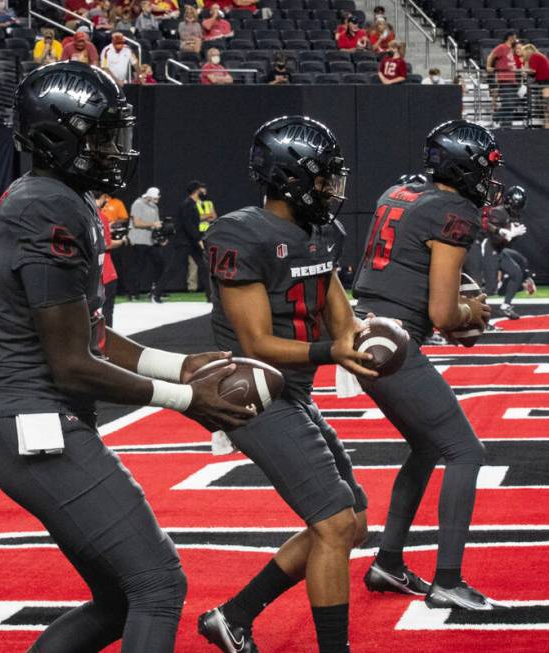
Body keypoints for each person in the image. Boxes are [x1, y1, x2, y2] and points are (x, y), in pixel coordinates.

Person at [0, 60, 254, 653]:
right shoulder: (47, 208)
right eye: (102, 135)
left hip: (43, 420)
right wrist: (185, 400)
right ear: (59, 136)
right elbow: (70, 362)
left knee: (118, 602)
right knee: (157, 584)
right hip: (36, 423)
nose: (116, 149)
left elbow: (91, 335)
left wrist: (175, 365)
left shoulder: (58, 199)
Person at [197, 116, 372, 653]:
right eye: (322, 179)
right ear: (291, 178)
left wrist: (376, 337)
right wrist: (329, 351)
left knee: (354, 523)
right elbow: (254, 343)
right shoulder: (239, 232)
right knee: (335, 524)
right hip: (249, 390)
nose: (330, 190)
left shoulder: (322, 233)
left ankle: (234, 615)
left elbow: (343, 318)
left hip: (293, 392)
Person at [353, 120, 503, 610]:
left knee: (425, 447)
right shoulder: (456, 211)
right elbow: (443, 314)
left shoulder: (398, 191)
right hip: (394, 338)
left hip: (364, 328)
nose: (487, 178)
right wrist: (472, 313)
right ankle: (448, 579)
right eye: (484, 167)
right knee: (466, 451)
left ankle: (387, 563)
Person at [154, 180, 208, 302]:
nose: (204, 192)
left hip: (191, 242)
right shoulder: (187, 204)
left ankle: (211, 297)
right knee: (173, 268)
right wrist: (198, 238)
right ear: (196, 191)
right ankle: (156, 293)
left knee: (204, 266)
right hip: (185, 242)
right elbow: (187, 225)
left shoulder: (193, 204)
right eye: (201, 189)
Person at [484, 186, 531, 320]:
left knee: (516, 273)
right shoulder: (498, 212)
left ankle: (506, 306)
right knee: (490, 288)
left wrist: (512, 235)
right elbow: (494, 239)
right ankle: (478, 314)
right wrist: (509, 234)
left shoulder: (512, 214)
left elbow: (506, 242)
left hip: (498, 250)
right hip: (489, 249)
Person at [128, 187, 164, 301]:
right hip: (138, 240)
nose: (157, 201)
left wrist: (161, 238)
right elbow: (137, 223)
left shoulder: (155, 207)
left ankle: (155, 290)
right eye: (155, 199)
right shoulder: (138, 204)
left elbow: (156, 224)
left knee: (160, 263)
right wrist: (153, 224)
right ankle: (133, 293)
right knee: (138, 267)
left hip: (150, 241)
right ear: (149, 197)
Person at [97, 194, 126, 326]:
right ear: (102, 198)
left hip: (86, 270)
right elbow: (106, 244)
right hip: (105, 270)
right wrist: (122, 242)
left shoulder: (78, 215)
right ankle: (106, 342)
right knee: (107, 309)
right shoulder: (100, 216)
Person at [486, 32, 518, 126]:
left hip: (513, 80)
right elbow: (491, 55)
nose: (516, 39)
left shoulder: (511, 49)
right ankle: (496, 116)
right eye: (515, 37)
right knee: (509, 104)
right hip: (505, 80)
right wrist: (488, 66)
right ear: (510, 37)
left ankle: (506, 127)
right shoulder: (502, 47)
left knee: (510, 106)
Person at [521, 44, 549, 127]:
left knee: (546, 103)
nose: (523, 55)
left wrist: (523, 70)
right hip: (543, 82)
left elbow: (533, 71)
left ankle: (547, 124)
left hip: (546, 82)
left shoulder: (534, 56)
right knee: (545, 104)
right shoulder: (537, 56)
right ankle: (546, 123)